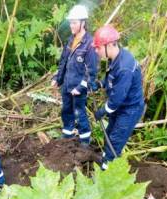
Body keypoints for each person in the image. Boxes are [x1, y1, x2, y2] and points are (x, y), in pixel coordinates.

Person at [92, 25, 145, 170]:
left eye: (98, 48)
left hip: (129, 109)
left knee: (115, 141)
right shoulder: (115, 57)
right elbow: (112, 79)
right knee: (109, 134)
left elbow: (117, 98)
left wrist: (103, 111)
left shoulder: (124, 67)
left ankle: (108, 170)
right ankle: (106, 160)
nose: (96, 51)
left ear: (109, 45)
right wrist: (99, 84)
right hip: (120, 106)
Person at [51, 4, 98, 145]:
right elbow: (63, 62)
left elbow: (91, 71)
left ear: (83, 23)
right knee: (66, 111)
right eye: (70, 22)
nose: (71, 25)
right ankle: (67, 137)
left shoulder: (89, 44)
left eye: (74, 22)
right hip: (66, 85)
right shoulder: (71, 40)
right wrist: (57, 79)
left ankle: (85, 142)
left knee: (79, 114)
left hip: (78, 88)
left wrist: (81, 87)